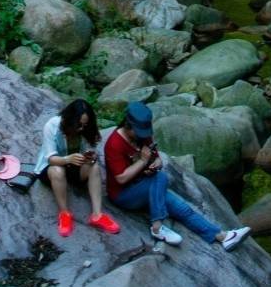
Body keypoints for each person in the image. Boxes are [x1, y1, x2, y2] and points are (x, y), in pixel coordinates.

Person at [104, 102, 251, 251]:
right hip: (123, 194)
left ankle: (223, 237)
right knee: (160, 178)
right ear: (128, 125)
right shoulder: (114, 144)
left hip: (147, 186)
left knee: (182, 208)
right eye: (139, 132)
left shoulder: (144, 136)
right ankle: (157, 227)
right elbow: (120, 178)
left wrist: (155, 163)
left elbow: (157, 158)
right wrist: (142, 161)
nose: (143, 135)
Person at [35, 99, 121, 238]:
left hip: (74, 168)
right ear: (69, 120)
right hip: (52, 168)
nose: (81, 128)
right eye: (78, 125)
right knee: (57, 169)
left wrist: (89, 157)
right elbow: (50, 158)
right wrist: (67, 159)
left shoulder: (87, 130)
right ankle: (64, 213)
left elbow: (90, 151)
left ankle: (97, 215)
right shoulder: (52, 126)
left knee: (94, 166)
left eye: (85, 125)